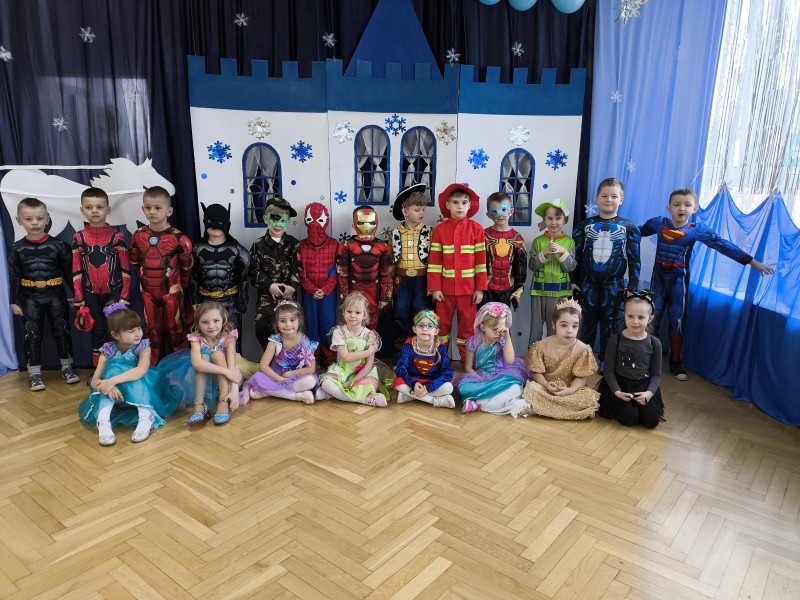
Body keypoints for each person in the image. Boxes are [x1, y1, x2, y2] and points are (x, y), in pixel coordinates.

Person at [640, 188, 775, 380]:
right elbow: (635, 232)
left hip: (678, 283)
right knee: (650, 320)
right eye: (677, 204)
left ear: (695, 208)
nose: (682, 208)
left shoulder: (696, 230)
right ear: (669, 207)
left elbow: (722, 245)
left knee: (677, 322)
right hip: (658, 282)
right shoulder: (658, 223)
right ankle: (645, 362)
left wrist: (752, 262)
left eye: (687, 205)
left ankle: (676, 363)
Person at [78, 303, 181, 445]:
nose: (138, 333)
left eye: (139, 328)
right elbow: (95, 380)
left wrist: (112, 381)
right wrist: (107, 386)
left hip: (143, 388)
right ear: (116, 335)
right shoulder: (108, 351)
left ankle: (146, 416)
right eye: (131, 331)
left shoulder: (143, 347)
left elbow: (140, 371)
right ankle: (103, 421)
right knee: (113, 368)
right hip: (118, 395)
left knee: (124, 372)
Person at [9, 197, 79, 391]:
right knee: (31, 334)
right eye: (28, 219)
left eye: (39, 218)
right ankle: (34, 374)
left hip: (56, 295)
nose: (35, 223)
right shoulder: (16, 248)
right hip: (30, 297)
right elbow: (14, 276)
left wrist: (77, 294)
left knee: (62, 330)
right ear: (19, 220)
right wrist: (14, 301)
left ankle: (67, 368)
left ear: (47, 219)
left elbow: (69, 273)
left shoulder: (59, 246)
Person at [572, 178, 641, 371]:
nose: (609, 199)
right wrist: (573, 281)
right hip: (587, 282)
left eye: (614, 196)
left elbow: (634, 259)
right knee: (586, 321)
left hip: (614, 283)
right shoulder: (584, 225)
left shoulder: (629, 227)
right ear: (597, 198)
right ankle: (583, 358)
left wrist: (632, 287)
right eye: (604, 195)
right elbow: (575, 256)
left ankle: (606, 359)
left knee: (610, 322)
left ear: (621, 199)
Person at [129, 186, 193, 364]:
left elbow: (186, 268)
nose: (152, 212)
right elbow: (135, 262)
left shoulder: (179, 239)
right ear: (142, 209)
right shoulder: (138, 236)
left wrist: (179, 288)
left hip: (172, 292)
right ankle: (153, 368)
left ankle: (180, 368)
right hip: (148, 292)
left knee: (176, 330)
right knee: (152, 331)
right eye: (148, 207)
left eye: (158, 208)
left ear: (169, 211)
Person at [71, 187, 131, 366]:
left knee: (117, 327)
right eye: (89, 207)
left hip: (114, 291)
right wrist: (79, 298)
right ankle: (100, 367)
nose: (94, 211)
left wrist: (124, 297)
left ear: (108, 209)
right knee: (97, 329)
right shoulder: (78, 237)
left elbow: (125, 269)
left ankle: (119, 365)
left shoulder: (117, 237)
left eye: (99, 207)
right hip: (90, 292)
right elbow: (76, 270)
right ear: (82, 210)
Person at [156, 302, 242, 425]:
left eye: (216, 321)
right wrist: (225, 371)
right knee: (204, 355)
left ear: (223, 320)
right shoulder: (196, 338)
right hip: (202, 374)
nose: (211, 326)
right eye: (205, 322)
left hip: (226, 373)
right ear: (198, 323)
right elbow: (197, 364)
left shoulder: (228, 336)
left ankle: (224, 399)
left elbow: (232, 367)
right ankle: (199, 402)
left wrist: (234, 392)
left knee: (218, 354)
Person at [427, 183, 488, 359]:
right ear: (448, 205)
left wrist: (479, 288)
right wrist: (435, 288)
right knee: (441, 328)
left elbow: (481, 262)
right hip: (444, 291)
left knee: (468, 329)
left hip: (469, 291)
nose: (460, 206)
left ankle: (467, 364)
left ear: (470, 205)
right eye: (455, 202)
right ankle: (439, 362)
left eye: (464, 202)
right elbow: (435, 262)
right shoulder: (440, 230)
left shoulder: (477, 229)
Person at [523, 298, 600, 419]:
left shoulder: (583, 349)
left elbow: (581, 377)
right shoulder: (540, 346)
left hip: (569, 388)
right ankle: (571, 411)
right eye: (564, 325)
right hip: (546, 387)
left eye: (574, 326)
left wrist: (570, 390)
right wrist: (546, 384)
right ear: (554, 325)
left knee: (589, 396)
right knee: (531, 388)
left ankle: (541, 408)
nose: (569, 331)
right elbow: (536, 372)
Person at [597, 291, 664, 428]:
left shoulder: (655, 343)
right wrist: (617, 391)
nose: (635, 321)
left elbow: (656, 374)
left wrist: (649, 393)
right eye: (630, 316)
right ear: (624, 315)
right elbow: (608, 371)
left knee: (651, 421)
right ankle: (628, 408)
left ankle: (639, 408)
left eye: (641, 317)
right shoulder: (615, 340)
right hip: (620, 386)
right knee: (629, 419)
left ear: (650, 318)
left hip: (643, 387)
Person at [455, 302, 531, 417]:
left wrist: (508, 338)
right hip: (480, 376)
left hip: (501, 375)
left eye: (501, 329)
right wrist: (479, 379)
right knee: (463, 388)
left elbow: (510, 360)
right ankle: (496, 401)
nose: (498, 333)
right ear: (483, 327)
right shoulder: (473, 343)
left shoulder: (502, 341)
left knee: (515, 387)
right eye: (494, 329)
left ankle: (478, 403)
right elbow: (468, 367)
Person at [317, 292, 388, 407]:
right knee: (326, 383)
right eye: (349, 311)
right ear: (343, 313)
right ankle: (366, 400)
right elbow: (346, 357)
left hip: (362, 373)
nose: (353, 315)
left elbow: (368, 365)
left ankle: (334, 394)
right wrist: (369, 351)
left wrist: (353, 380)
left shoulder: (370, 335)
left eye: (357, 312)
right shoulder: (339, 332)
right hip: (342, 371)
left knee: (368, 385)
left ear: (364, 315)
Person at [249, 197, 303, 348]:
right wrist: (269, 285)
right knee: (263, 331)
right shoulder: (258, 245)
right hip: (266, 300)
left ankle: (288, 359)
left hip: (288, 299)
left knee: (290, 333)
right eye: (274, 219)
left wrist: (292, 286)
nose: (278, 224)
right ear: (266, 219)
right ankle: (270, 359)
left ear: (288, 222)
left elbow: (298, 267)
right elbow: (253, 271)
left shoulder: (293, 244)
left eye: (283, 220)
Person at [241, 300, 318, 404]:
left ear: (299, 321)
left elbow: (311, 369)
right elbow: (263, 366)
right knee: (258, 378)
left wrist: (290, 374)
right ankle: (296, 396)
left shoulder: (305, 342)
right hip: (276, 375)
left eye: (292, 320)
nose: (288, 324)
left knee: (310, 381)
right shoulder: (275, 341)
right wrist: (280, 379)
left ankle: (267, 392)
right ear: (276, 323)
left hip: (296, 375)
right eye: (282, 321)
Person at [190, 203, 250, 337]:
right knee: (207, 338)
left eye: (220, 222)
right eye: (211, 221)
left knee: (231, 338)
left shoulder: (238, 250)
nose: (215, 226)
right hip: (205, 301)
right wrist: (194, 300)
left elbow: (243, 278)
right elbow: (193, 277)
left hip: (231, 302)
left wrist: (242, 302)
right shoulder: (196, 248)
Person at [390, 183, 432, 353]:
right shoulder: (395, 234)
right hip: (402, 280)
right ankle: (402, 351)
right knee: (400, 314)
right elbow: (391, 262)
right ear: (405, 211)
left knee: (422, 313)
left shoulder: (429, 232)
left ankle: (421, 350)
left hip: (422, 280)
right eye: (417, 209)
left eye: (423, 209)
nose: (421, 213)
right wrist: (390, 287)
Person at [528, 199, 576, 345]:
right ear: (544, 220)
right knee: (535, 328)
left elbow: (570, 267)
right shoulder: (538, 241)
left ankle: (554, 356)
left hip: (560, 293)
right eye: (549, 218)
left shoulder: (569, 242)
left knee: (556, 328)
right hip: (538, 291)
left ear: (565, 220)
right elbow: (532, 266)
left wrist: (562, 252)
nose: (554, 222)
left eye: (558, 218)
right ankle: (533, 356)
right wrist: (543, 253)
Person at [337, 206, 392, 330]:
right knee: (354, 323)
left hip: (374, 290)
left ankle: (370, 344)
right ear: (354, 225)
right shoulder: (346, 246)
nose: (366, 226)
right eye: (361, 222)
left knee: (372, 326)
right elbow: (343, 274)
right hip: (354, 289)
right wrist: (345, 298)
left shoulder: (382, 246)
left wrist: (384, 297)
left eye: (371, 222)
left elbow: (385, 274)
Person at [298, 202, 338, 366]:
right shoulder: (301, 246)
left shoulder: (334, 245)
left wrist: (326, 289)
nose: (315, 225)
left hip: (328, 294)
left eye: (319, 221)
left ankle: (330, 358)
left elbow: (336, 270)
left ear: (326, 221)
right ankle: (313, 360)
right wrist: (311, 288)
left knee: (328, 325)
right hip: (309, 294)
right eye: (310, 220)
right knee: (311, 326)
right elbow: (300, 271)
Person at [393, 310, 455, 408]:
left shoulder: (440, 347)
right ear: (414, 329)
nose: (425, 329)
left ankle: (410, 395)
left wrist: (429, 388)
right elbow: (401, 368)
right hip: (413, 381)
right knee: (398, 383)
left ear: (436, 331)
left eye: (430, 326)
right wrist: (413, 384)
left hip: (432, 381)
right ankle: (435, 401)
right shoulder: (409, 345)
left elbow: (447, 372)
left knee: (448, 387)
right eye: (421, 325)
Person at [483, 192, 527, 309]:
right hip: (485, 290)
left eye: (504, 210)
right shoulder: (482, 236)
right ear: (488, 215)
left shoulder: (517, 239)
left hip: (507, 290)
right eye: (494, 211)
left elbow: (520, 268)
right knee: (485, 318)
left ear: (511, 211)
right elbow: (476, 265)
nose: (500, 215)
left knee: (504, 319)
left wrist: (517, 291)